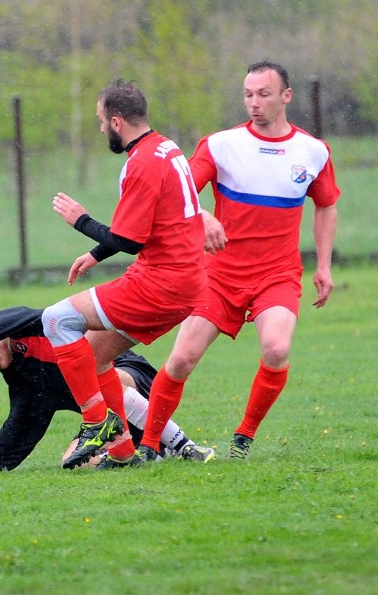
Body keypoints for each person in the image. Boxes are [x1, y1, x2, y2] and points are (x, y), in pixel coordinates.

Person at [138, 61, 340, 460]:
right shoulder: (221, 145)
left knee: (277, 349)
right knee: (181, 359)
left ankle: (243, 439)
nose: (254, 102)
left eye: (263, 94)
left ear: (286, 96)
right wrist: (204, 214)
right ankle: (148, 445)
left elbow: (327, 205)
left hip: (277, 274)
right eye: (248, 94)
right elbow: (179, 191)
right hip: (219, 273)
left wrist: (324, 265)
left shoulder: (313, 151)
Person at [38, 79, 207, 470]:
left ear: (116, 122)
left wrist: (80, 220)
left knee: (55, 320)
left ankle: (97, 425)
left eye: (100, 122)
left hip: (159, 283)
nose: (100, 130)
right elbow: (147, 226)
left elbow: (130, 241)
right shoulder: (166, 148)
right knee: (95, 356)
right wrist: (97, 253)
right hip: (186, 282)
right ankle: (122, 452)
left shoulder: (142, 163)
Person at [0, 306, 214, 473]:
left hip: (129, 375)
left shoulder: (33, 323)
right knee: (72, 462)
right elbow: (16, 433)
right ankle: (143, 449)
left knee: (103, 378)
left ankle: (179, 442)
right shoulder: (25, 384)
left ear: (0, 333)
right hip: (105, 421)